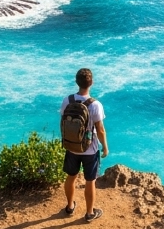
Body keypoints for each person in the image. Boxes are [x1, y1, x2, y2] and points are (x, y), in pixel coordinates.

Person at [60, 68, 109, 222]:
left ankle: (69, 207)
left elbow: (63, 121)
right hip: (90, 149)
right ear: (91, 83)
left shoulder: (67, 100)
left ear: (77, 82)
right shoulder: (95, 105)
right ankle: (89, 214)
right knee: (90, 181)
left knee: (71, 177)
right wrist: (105, 147)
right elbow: (100, 130)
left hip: (71, 146)